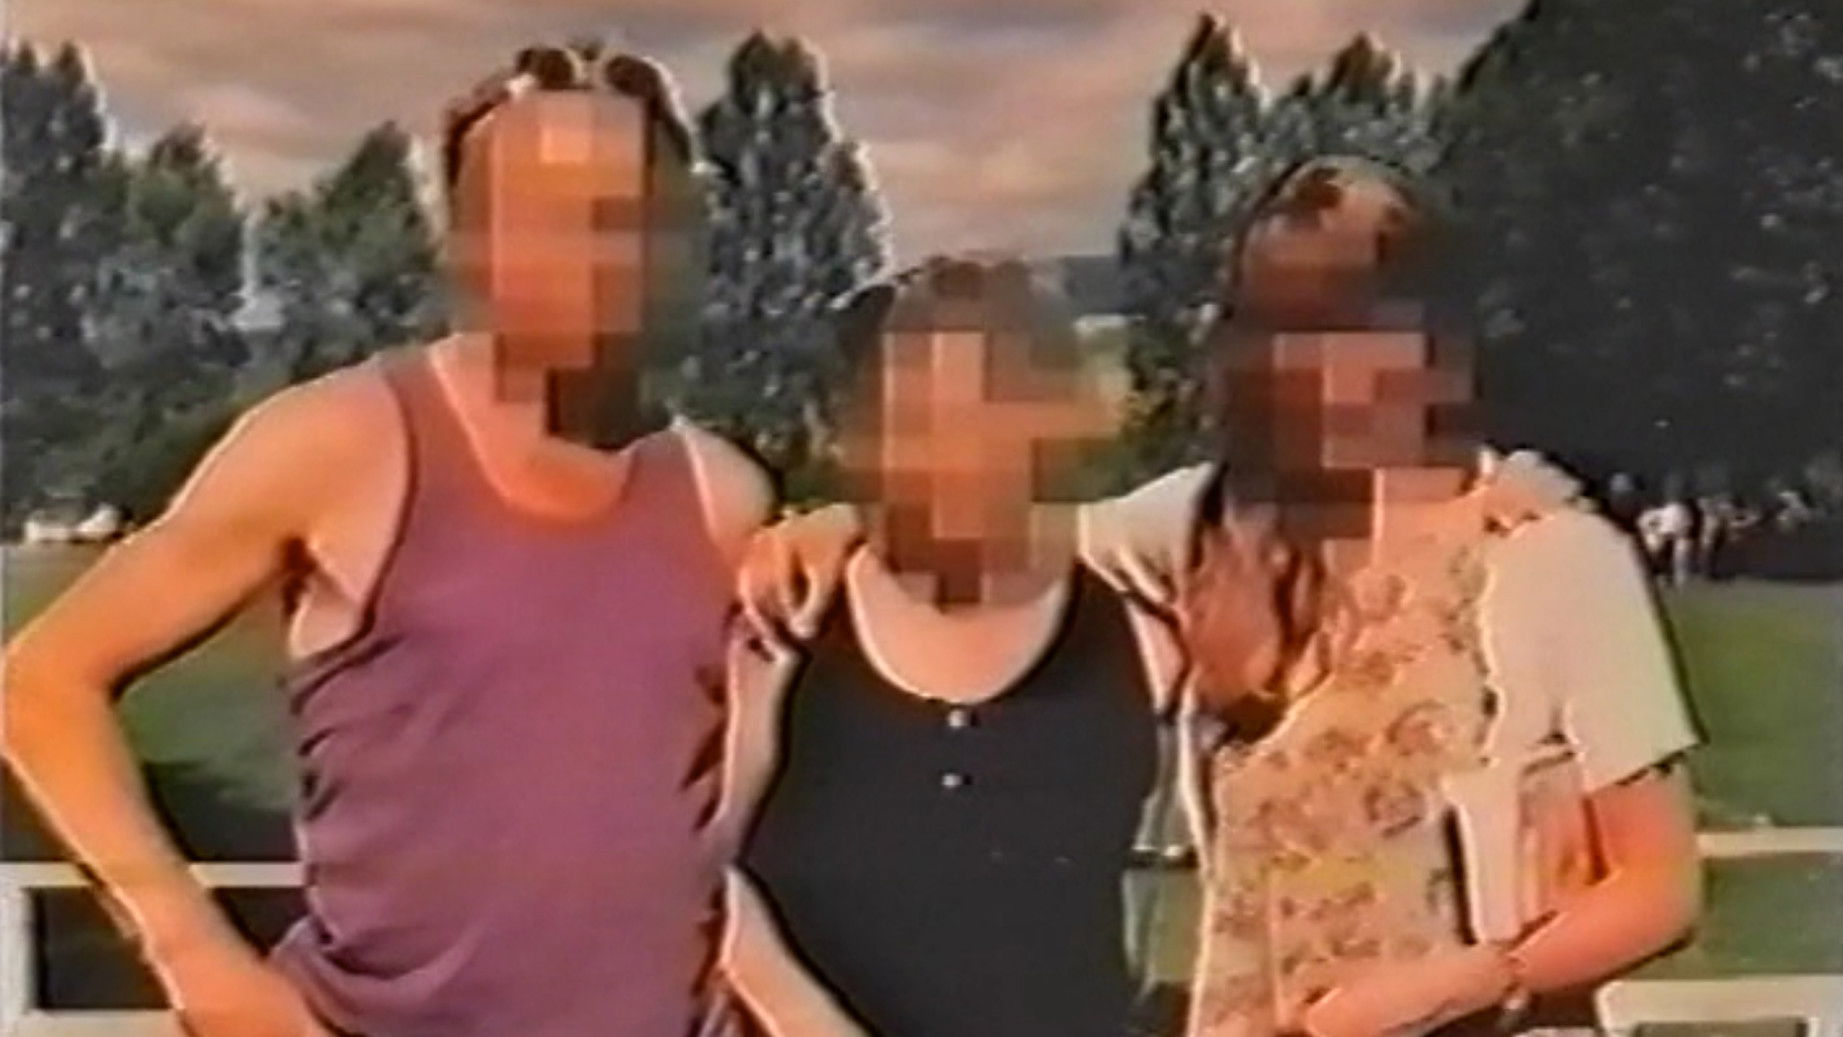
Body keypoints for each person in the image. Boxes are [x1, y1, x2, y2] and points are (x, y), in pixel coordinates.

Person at [2, 46, 770, 1037]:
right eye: (535, 215)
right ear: (467, 241)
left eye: (618, 216)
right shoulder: (340, 445)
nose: (582, 254)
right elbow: (41, 682)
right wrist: (193, 953)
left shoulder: (723, 494)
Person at [1094, 156, 1701, 1037]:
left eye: (1358, 328)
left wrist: (1464, 982)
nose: (1321, 368)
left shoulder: (1552, 557)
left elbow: (1660, 888)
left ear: (1435, 338)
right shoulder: (1208, 527)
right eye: (1289, 333)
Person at [720, 258, 1172, 1037]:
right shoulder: (781, 621)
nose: (958, 452)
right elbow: (688, 865)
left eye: (989, 412)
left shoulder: (1142, 612)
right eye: (918, 418)